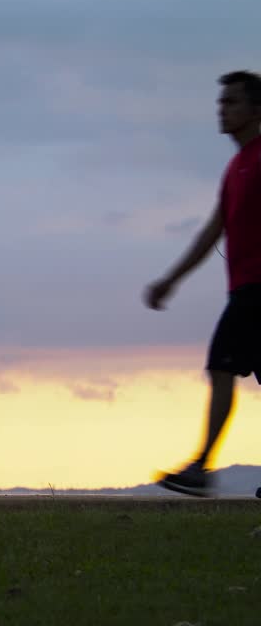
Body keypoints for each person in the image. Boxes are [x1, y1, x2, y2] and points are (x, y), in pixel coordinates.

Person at [145, 70, 261, 497]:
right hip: (246, 290)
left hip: (257, 291)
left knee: (222, 367)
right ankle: (202, 465)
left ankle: (202, 466)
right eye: (221, 102)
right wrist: (170, 280)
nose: (222, 110)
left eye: (231, 102)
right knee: (224, 369)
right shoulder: (237, 167)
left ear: (256, 109)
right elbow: (212, 232)